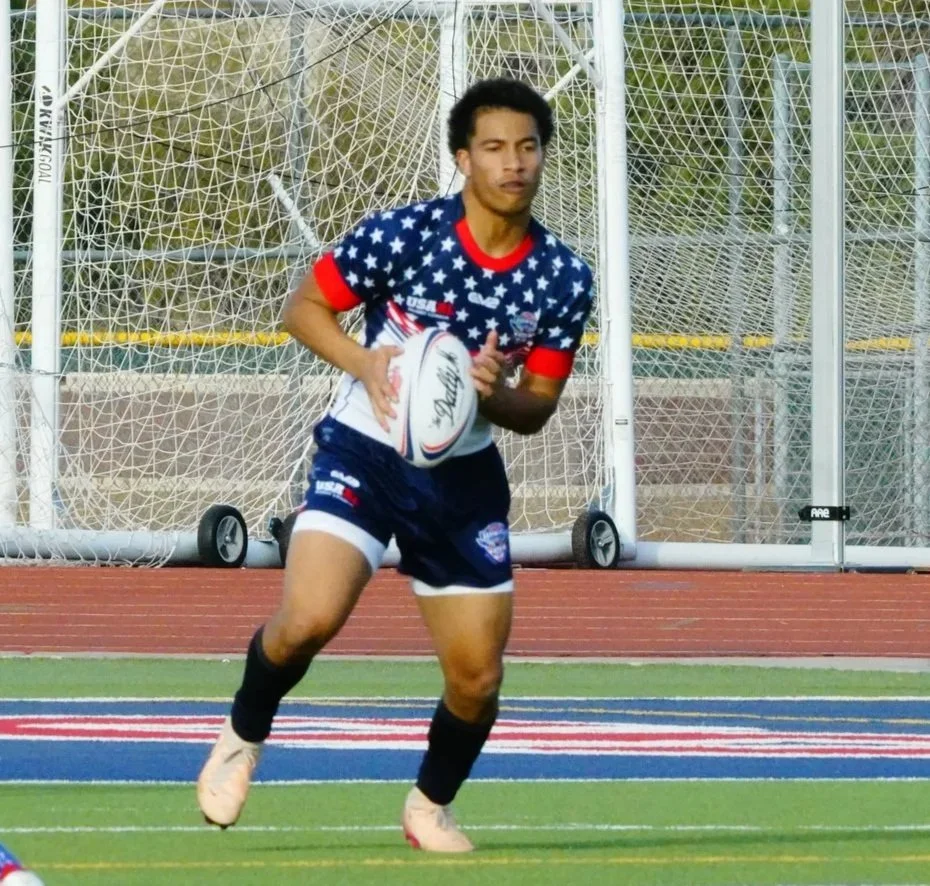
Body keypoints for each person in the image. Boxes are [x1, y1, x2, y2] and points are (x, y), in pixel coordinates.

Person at [196, 77, 594, 853]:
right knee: (308, 619)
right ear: (462, 158)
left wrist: (493, 397)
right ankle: (243, 734)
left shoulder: (562, 279)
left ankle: (427, 808)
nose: (513, 163)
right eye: (493, 148)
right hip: (366, 451)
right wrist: (368, 365)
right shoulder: (406, 234)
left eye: (527, 147)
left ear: (543, 156)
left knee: (477, 681)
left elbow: (539, 406)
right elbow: (302, 307)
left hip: (464, 481)